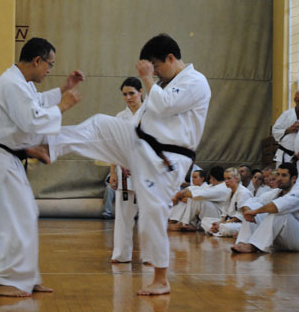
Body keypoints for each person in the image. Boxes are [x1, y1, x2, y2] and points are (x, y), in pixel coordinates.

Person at [46, 33, 211, 295]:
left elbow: (165, 106)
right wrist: (122, 153)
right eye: (151, 69)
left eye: (156, 66)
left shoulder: (195, 81)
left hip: (167, 159)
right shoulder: (165, 84)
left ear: (170, 58)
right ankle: (47, 145)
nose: (155, 72)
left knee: (151, 214)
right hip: (141, 146)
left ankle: (161, 279)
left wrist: (146, 78)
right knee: (101, 124)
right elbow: (140, 119)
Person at [0, 37, 84, 297]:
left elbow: (36, 103)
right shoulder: (12, 84)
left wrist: (63, 90)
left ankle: (25, 277)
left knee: (25, 214)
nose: (49, 70)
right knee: (13, 220)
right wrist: (63, 105)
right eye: (50, 65)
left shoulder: (21, 83)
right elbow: (31, 120)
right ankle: (6, 281)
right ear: (37, 60)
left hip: (7, 158)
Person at [231, 162, 299, 254]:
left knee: (278, 213)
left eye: (284, 175)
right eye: (278, 174)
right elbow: (253, 201)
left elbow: (278, 206)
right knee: (254, 208)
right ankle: (243, 241)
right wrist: (248, 211)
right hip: (282, 238)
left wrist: (255, 212)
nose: (279, 178)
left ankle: (253, 246)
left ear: (293, 178)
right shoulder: (278, 191)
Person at [108, 77, 144, 263]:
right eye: (125, 94)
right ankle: (121, 254)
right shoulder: (119, 117)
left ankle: (152, 256)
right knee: (123, 216)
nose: (128, 97)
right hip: (124, 171)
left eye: (132, 93)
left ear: (141, 92)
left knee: (149, 216)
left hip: (147, 171)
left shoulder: (152, 114)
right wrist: (113, 172)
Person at [168, 166, 228, 232]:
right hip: (211, 213)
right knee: (190, 199)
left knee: (197, 199)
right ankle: (177, 221)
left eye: (195, 177)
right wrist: (181, 193)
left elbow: (200, 194)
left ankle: (185, 223)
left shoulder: (222, 188)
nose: (193, 179)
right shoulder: (213, 186)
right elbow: (197, 189)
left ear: (212, 178)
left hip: (220, 215)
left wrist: (180, 195)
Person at [201, 167, 252, 237]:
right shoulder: (230, 192)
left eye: (229, 178)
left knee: (226, 227)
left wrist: (222, 224)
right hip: (228, 221)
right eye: (225, 179)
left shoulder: (243, 192)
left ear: (237, 179)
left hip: (241, 223)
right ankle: (217, 229)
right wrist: (220, 222)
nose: (226, 181)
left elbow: (240, 216)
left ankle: (217, 230)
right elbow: (225, 213)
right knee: (205, 221)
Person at [271, 90, 299, 166]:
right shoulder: (286, 114)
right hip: (285, 153)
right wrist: (288, 130)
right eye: (298, 101)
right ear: (295, 100)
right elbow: (275, 131)